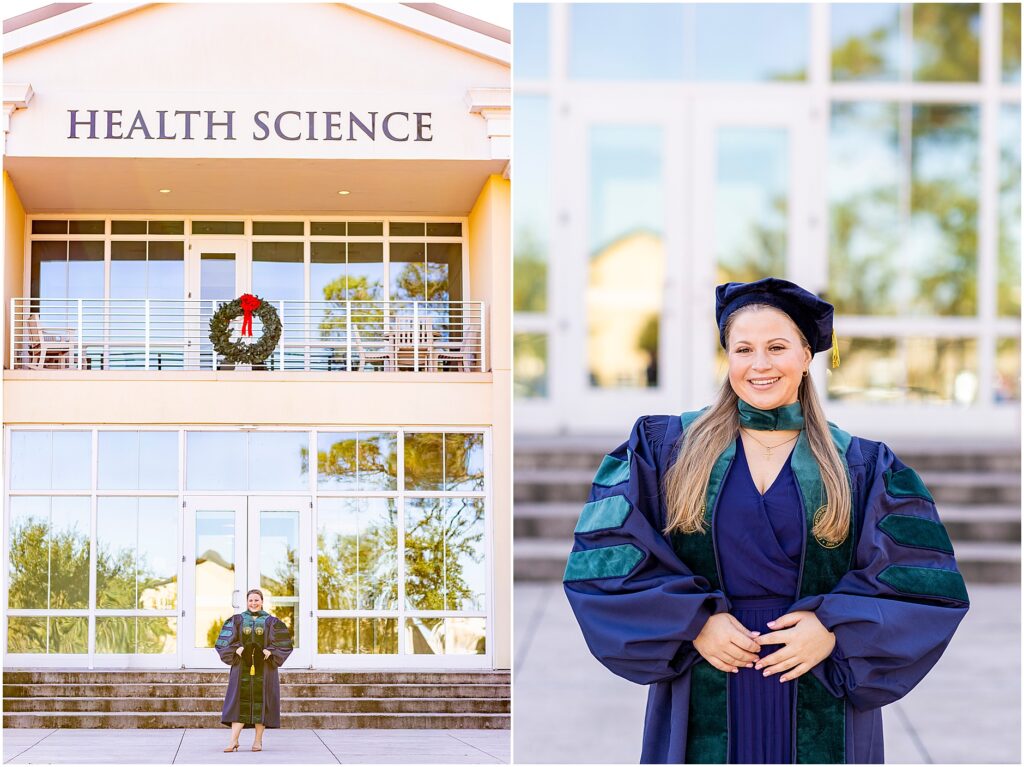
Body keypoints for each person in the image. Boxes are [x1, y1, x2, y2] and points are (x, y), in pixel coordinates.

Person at [564, 277, 969, 764]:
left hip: (818, 675)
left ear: (806, 356)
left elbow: (921, 583)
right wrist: (693, 622)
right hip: (705, 669)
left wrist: (834, 629)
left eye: (777, 347)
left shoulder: (861, 465)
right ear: (728, 358)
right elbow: (606, 561)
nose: (760, 364)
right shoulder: (666, 448)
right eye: (743, 349)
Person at [217, 588, 294, 752]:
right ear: (247, 602)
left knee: (262, 702)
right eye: (250, 600)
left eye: (256, 600)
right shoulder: (237, 620)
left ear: (262, 601)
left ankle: (258, 741)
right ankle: (233, 741)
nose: (253, 603)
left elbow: (284, 644)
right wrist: (236, 648)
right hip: (241, 669)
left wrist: (271, 651)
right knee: (239, 703)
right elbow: (223, 642)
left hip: (265, 669)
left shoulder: (272, 622)